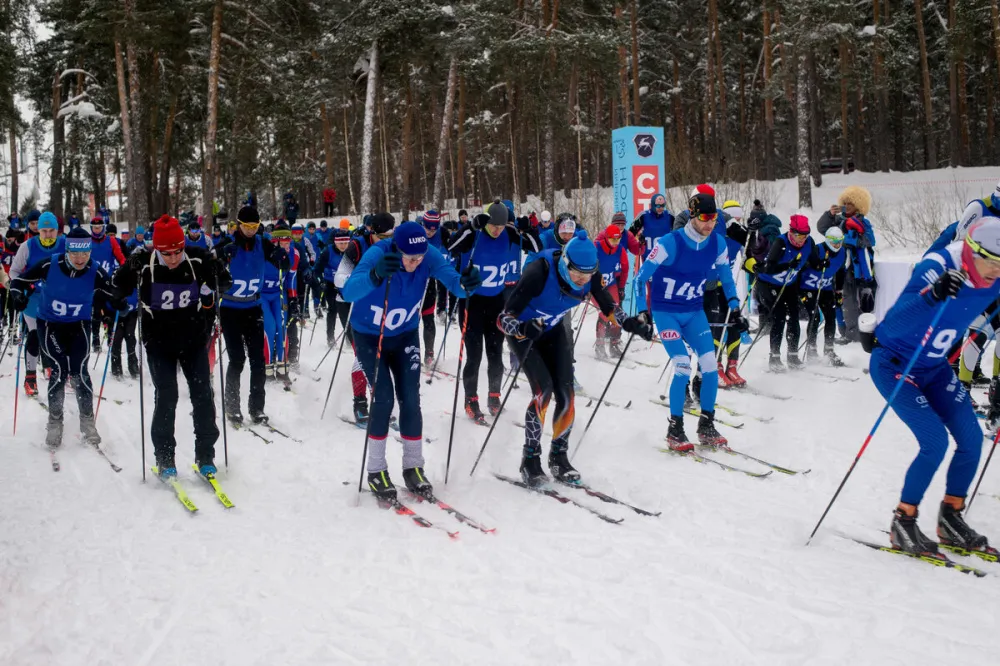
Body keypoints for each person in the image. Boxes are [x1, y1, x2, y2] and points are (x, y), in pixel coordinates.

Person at [869, 218, 1000, 557]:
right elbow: (893, 323)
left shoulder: (996, 274)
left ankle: (951, 517)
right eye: (990, 262)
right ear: (972, 252)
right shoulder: (939, 265)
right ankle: (904, 520)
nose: (995, 273)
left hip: (934, 367)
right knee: (935, 443)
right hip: (895, 364)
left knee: (971, 439)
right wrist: (933, 294)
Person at [341, 219, 482, 500]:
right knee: (382, 397)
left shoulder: (428, 254)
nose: (416, 263)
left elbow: (452, 281)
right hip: (371, 335)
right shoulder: (379, 253)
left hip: (405, 334)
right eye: (409, 258)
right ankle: (376, 469)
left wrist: (466, 284)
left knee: (410, 397)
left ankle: (413, 466)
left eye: (420, 258)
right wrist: (375, 275)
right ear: (397, 248)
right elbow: (348, 291)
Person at [499, 237, 645, 486]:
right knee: (543, 391)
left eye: (587, 276)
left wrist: (627, 321)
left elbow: (608, 305)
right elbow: (503, 319)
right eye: (577, 274)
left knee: (566, 392)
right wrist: (523, 327)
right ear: (565, 263)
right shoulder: (539, 272)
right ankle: (530, 460)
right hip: (525, 333)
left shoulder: (590, 274)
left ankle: (559, 457)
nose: (582, 280)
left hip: (553, 330)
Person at [111, 216, 230, 478]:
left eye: (178, 251)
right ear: (157, 248)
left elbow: (224, 279)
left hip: (193, 338)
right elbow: (118, 283)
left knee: (202, 393)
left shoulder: (198, 257)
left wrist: (218, 279)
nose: (174, 258)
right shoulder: (142, 260)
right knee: (167, 395)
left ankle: (206, 454)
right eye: (167, 253)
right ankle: (165, 457)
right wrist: (118, 295)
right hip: (159, 341)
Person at [633, 193, 745, 451]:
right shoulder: (669, 243)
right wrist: (642, 311)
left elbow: (727, 279)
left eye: (714, 218)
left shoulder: (717, 243)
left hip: (694, 312)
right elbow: (640, 278)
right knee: (683, 366)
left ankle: (706, 425)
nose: (709, 224)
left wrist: (735, 307)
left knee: (709, 366)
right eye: (705, 218)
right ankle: (675, 429)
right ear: (692, 215)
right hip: (667, 312)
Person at [8, 228, 123, 449]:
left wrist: (118, 302)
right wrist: (17, 296)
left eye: (85, 254)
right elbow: (18, 281)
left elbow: (113, 291)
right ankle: (55, 422)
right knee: (59, 370)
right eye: (74, 253)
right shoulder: (49, 264)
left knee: (80, 370)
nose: (80, 259)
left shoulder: (95, 270)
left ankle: (88, 422)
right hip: (50, 324)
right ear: (67, 250)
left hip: (79, 325)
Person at [446, 203, 541, 423]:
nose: (497, 230)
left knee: (495, 353)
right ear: (486, 221)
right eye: (493, 226)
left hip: (497, 302)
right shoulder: (476, 234)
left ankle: (494, 397)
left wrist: (529, 229)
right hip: (472, 302)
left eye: (500, 226)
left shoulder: (509, 233)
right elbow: (452, 246)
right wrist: (470, 226)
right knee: (475, 355)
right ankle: (471, 400)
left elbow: (536, 247)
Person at [213, 206, 289, 424]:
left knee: (259, 360)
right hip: (230, 309)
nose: (250, 231)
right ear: (238, 225)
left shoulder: (262, 243)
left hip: (253, 307)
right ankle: (232, 406)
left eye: (254, 227)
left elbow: (280, 261)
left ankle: (257, 408)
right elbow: (210, 262)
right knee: (237, 359)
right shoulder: (229, 244)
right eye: (246, 226)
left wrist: (281, 259)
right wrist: (220, 257)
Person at [334, 214, 397, 423]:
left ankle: (380, 401)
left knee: (382, 356)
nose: (387, 240)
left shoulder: (393, 245)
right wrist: (365, 280)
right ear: (372, 232)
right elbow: (339, 277)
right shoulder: (357, 246)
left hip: (380, 307)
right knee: (362, 356)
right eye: (382, 236)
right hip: (354, 306)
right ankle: (359, 403)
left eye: (391, 235)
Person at [744, 214, 815, 372]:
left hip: (788, 283)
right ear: (791, 232)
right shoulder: (780, 242)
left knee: (794, 316)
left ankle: (792, 356)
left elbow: (813, 260)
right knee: (780, 316)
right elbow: (769, 268)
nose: (801, 239)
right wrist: (788, 265)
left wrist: (820, 263)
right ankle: (774, 358)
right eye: (798, 235)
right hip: (768, 283)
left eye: (805, 235)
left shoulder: (809, 243)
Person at [9, 212, 66, 396]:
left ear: (57, 231)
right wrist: (19, 292)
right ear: (38, 230)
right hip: (33, 299)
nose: (48, 235)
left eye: (52, 231)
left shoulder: (65, 244)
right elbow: (14, 272)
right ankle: (30, 378)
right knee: (35, 336)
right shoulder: (28, 246)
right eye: (44, 231)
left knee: (58, 337)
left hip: (58, 301)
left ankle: (57, 369)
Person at [817, 186, 876, 342]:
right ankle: (843, 331)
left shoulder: (863, 222)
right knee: (837, 300)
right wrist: (829, 214)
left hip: (854, 268)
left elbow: (869, 241)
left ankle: (853, 335)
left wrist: (847, 239)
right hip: (836, 266)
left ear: (859, 206)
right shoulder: (837, 220)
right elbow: (821, 228)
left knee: (849, 301)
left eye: (851, 203)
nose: (847, 206)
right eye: (846, 203)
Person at [799, 226, 848, 366]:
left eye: (839, 241)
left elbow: (840, 272)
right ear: (827, 240)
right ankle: (812, 349)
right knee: (815, 317)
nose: (837, 244)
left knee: (831, 317)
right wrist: (818, 266)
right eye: (833, 241)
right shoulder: (817, 250)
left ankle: (829, 351)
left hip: (825, 288)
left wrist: (839, 291)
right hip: (807, 287)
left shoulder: (843, 253)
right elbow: (803, 266)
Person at [261, 221, 299, 383]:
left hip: (278, 294)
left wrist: (293, 299)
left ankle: (282, 365)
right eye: (282, 243)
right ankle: (267, 365)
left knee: (281, 326)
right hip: (262, 295)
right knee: (269, 327)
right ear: (275, 242)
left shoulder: (294, 254)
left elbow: (291, 278)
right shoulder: (265, 252)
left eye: (288, 242)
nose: (286, 246)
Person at [87, 216, 127, 355]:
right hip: (92, 281)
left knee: (110, 310)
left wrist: (124, 270)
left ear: (103, 227)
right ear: (91, 228)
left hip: (107, 281)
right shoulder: (88, 242)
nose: (97, 230)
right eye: (94, 228)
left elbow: (121, 258)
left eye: (99, 227)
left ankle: (111, 337)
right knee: (95, 313)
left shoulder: (111, 241)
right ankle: (95, 341)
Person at [593, 224, 628, 359]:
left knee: (616, 312)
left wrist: (621, 287)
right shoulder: (596, 247)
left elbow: (625, 269)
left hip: (611, 284)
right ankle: (600, 344)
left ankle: (614, 343)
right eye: (613, 240)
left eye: (618, 240)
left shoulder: (620, 250)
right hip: (597, 287)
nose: (615, 243)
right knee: (604, 313)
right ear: (606, 238)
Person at [629, 193, 674, 259]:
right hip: (648, 257)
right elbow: (630, 234)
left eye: (662, 206)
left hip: (666, 257)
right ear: (653, 205)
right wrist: (639, 240)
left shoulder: (669, 216)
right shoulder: (644, 215)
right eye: (658, 206)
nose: (660, 208)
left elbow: (680, 233)